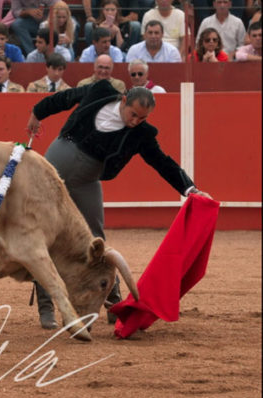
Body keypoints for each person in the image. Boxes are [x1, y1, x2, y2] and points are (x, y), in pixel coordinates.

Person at [26, 81, 211, 329]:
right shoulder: (99, 91)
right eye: (133, 114)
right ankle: (46, 309)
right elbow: (65, 98)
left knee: (96, 241)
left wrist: (190, 189)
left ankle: (113, 304)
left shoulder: (141, 134)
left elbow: (162, 162)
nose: (135, 121)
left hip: (86, 180)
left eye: (142, 118)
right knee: (45, 236)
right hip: (51, 170)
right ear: (123, 100)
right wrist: (38, 113)